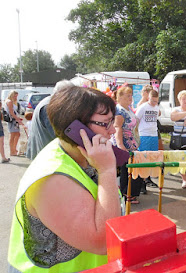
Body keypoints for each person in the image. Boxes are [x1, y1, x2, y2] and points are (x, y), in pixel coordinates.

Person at [8, 86, 122, 272]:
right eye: (105, 123)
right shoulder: (52, 179)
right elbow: (104, 242)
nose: (112, 131)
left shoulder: (83, 155)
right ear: (77, 128)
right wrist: (107, 171)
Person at [26, 80, 75, 160]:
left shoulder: (49, 103)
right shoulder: (49, 107)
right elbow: (59, 135)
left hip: (43, 153)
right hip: (44, 156)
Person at [112, 86, 143, 203]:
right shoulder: (119, 111)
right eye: (127, 96)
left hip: (131, 145)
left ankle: (127, 194)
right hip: (125, 146)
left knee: (128, 170)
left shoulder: (127, 109)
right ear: (119, 97)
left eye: (131, 95)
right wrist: (121, 146)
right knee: (132, 170)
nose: (130, 98)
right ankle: (129, 194)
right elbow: (117, 128)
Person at [135, 90, 161, 189]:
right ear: (148, 98)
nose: (154, 103)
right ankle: (141, 182)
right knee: (143, 157)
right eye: (152, 101)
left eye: (156, 101)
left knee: (151, 157)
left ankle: (147, 178)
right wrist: (136, 133)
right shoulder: (143, 107)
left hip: (153, 134)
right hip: (144, 135)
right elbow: (136, 120)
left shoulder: (156, 107)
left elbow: (158, 115)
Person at [5, 91, 23, 156]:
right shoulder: (9, 102)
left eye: (16, 96)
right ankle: (12, 151)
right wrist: (18, 119)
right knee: (12, 135)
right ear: (11, 95)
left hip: (14, 120)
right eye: (14, 96)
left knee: (17, 134)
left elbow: (14, 112)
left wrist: (18, 118)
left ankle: (14, 149)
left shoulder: (11, 101)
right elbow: (11, 113)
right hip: (12, 120)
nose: (16, 97)